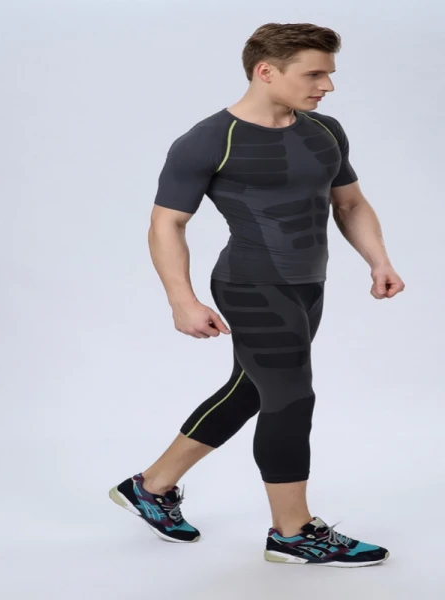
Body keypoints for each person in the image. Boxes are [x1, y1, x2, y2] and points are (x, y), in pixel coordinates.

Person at [109, 22, 405, 568]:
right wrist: (182, 300)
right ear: (266, 71)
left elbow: (350, 203)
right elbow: (166, 223)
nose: (327, 86)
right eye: (314, 74)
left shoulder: (326, 131)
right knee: (291, 396)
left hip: (308, 285)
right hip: (251, 285)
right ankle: (292, 532)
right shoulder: (209, 139)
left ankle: (150, 487)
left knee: (250, 390)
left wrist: (378, 260)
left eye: (329, 74)